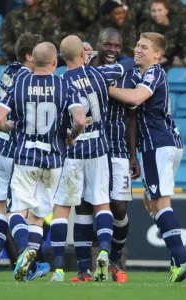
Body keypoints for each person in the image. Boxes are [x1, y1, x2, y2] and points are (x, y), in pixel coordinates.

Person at [0, 41, 86, 282]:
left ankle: (24, 252)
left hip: (25, 158)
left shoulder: (21, 82)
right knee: (38, 217)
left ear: (33, 60)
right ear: (55, 62)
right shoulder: (64, 83)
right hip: (54, 160)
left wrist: (10, 126)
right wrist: (71, 136)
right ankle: (30, 259)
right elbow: (81, 120)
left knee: (16, 212)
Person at [109, 32, 186, 283]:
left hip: (157, 144)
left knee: (159, 202)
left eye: (144, 47)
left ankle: (181, 261)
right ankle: (175, 259)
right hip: (166, 143)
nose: (138, 49)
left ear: (157, 54)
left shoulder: (154, 72)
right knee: (150, 201)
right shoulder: (144, 74)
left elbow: (135, 98)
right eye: (137, 44)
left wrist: (107, 87)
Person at [50, 35, 135, 282]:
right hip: (100, 147)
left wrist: (70, 136)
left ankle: (65, 269)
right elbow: (126, 65)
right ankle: (105, 253)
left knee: (67, 208)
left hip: (74, 150)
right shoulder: (100, 74)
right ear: (82, 54)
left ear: (61, 58)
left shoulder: (61, 82)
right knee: (101, 204)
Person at [0, 32, 45, 282]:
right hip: (11, 151)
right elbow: (9, 117)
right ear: (30, 55)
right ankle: (29, 264)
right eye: (37, 51)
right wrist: (13, 126)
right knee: (16, 211)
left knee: (1, 210)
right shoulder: (27, 78)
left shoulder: (10, 69)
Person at [0, 0, 61, 65]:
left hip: (40, 61)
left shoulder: (49, 18)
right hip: (14, 59)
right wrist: (21, 51)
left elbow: (53, 44)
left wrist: (34, 53)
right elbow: (4, 42)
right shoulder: (13, 15)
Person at [138, 0, 186, 69]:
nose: (156, 14)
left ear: (166, 10)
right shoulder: (145, 27)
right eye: (153, 11)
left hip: (175, 59)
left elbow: (185, 44)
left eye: (160, 10)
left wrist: (182, 57)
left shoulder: (179, 24)